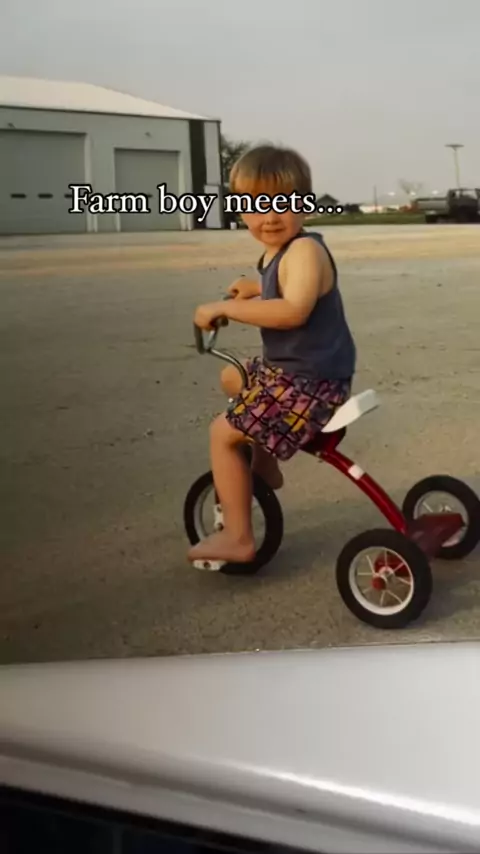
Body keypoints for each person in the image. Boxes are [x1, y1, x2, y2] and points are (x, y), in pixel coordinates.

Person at [188, 143, 356, 565]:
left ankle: (238, 538)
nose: (270, 216)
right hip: (296, 374)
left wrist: (227, 308)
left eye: (283, 202)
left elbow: (293, 310)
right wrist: (254, 288)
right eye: (256, 204)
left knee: (222, 434)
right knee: (234, 378)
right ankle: (265, 463)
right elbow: (282, 288)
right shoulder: (278, 252)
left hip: (311, 384)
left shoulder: (305, 250)